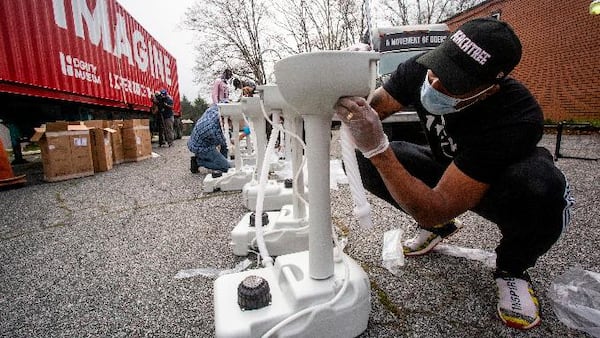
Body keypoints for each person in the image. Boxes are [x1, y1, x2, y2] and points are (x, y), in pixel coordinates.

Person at [335, 18, 574, 330]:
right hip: (449, 166)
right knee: (362, 160)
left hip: (500, 183)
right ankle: (439, 229)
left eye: (454, 81)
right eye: (439, 67)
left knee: (543, 190)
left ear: (491, 87)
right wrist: (342, 86)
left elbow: (439, 203)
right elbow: (371, 109)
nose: (435, 83)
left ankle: (512, 269)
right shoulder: (420, 67)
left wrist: (379, 148)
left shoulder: (518, 115)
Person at [188, 105, 231, 173]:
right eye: (230, 123)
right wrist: (244, 134)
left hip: (197, 140)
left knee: (227, 138)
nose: (231, 125)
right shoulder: (213, 130)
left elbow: (221, 103)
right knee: (226, 167)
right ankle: (198, 162)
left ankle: (222, 160)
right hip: (200, 147)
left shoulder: (214, 111)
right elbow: (229, 143)